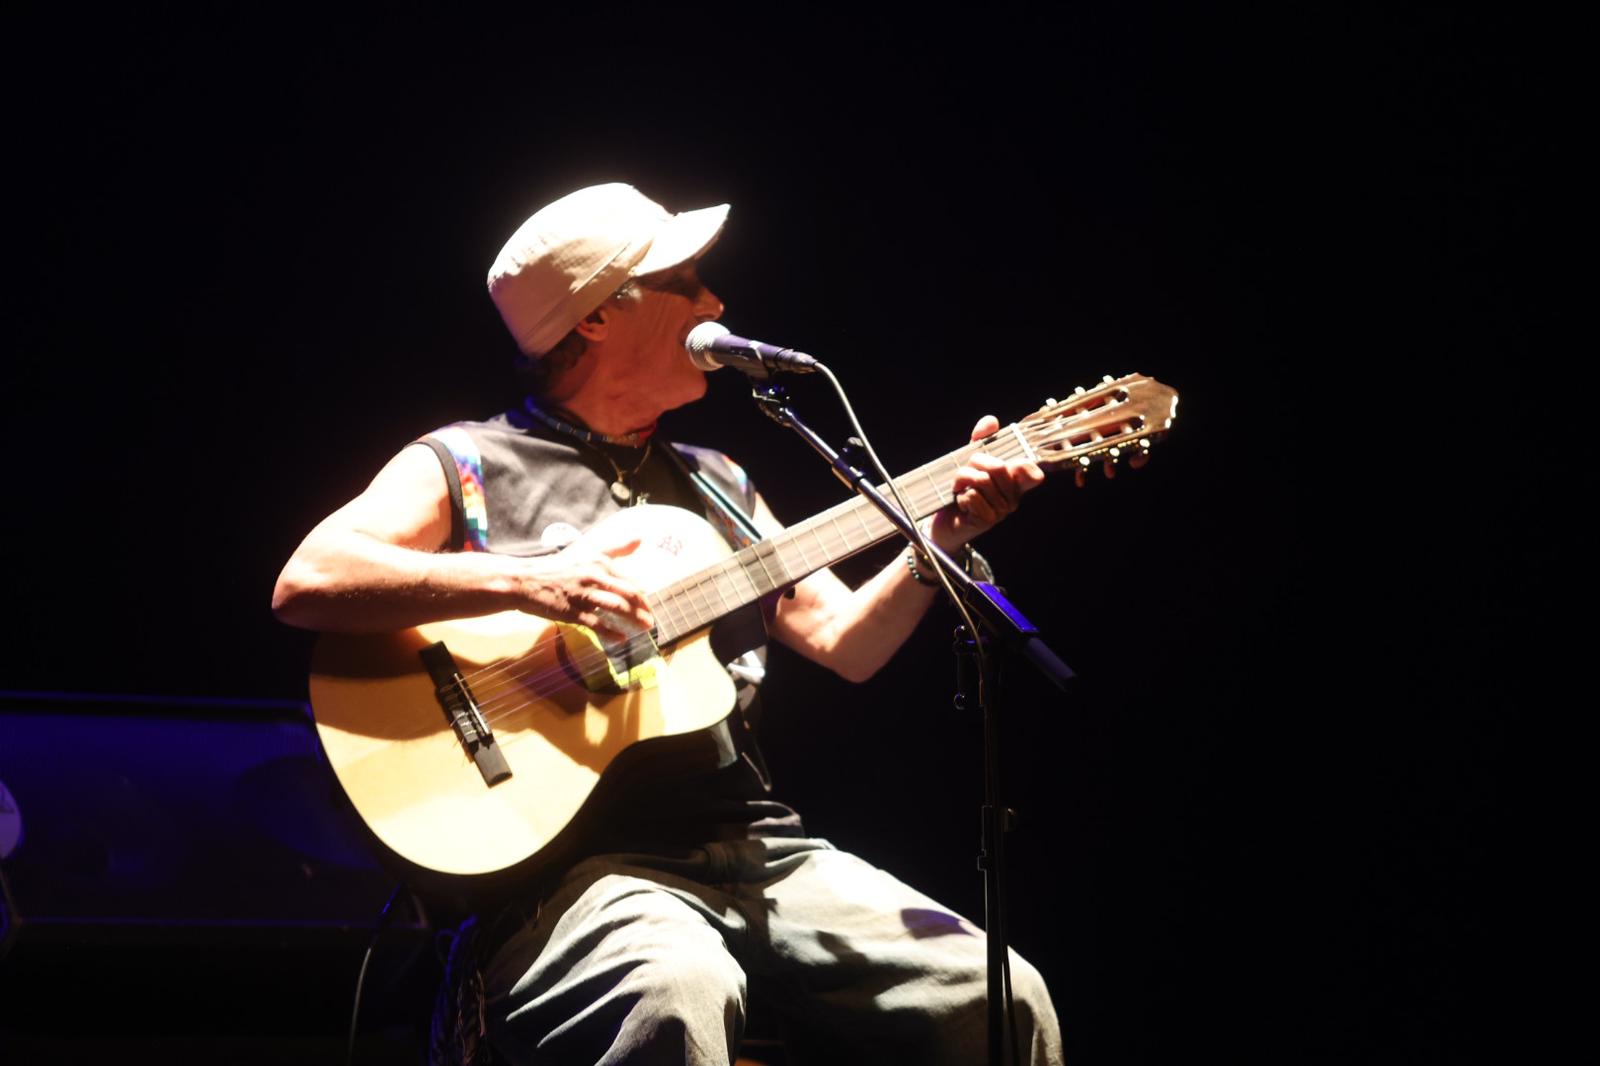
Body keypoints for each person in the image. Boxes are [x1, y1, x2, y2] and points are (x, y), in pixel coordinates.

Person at [273, 182, 1064, 1065]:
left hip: (758, 848)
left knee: (998, 999)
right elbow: (310, 577)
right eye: (685, 281)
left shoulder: (718, 480)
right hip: (578, 870)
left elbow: (848, 644)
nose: (716, 303)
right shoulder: (468, 460)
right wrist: (532, 584)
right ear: (601, 316)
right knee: (675, 991)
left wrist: (939, 540)